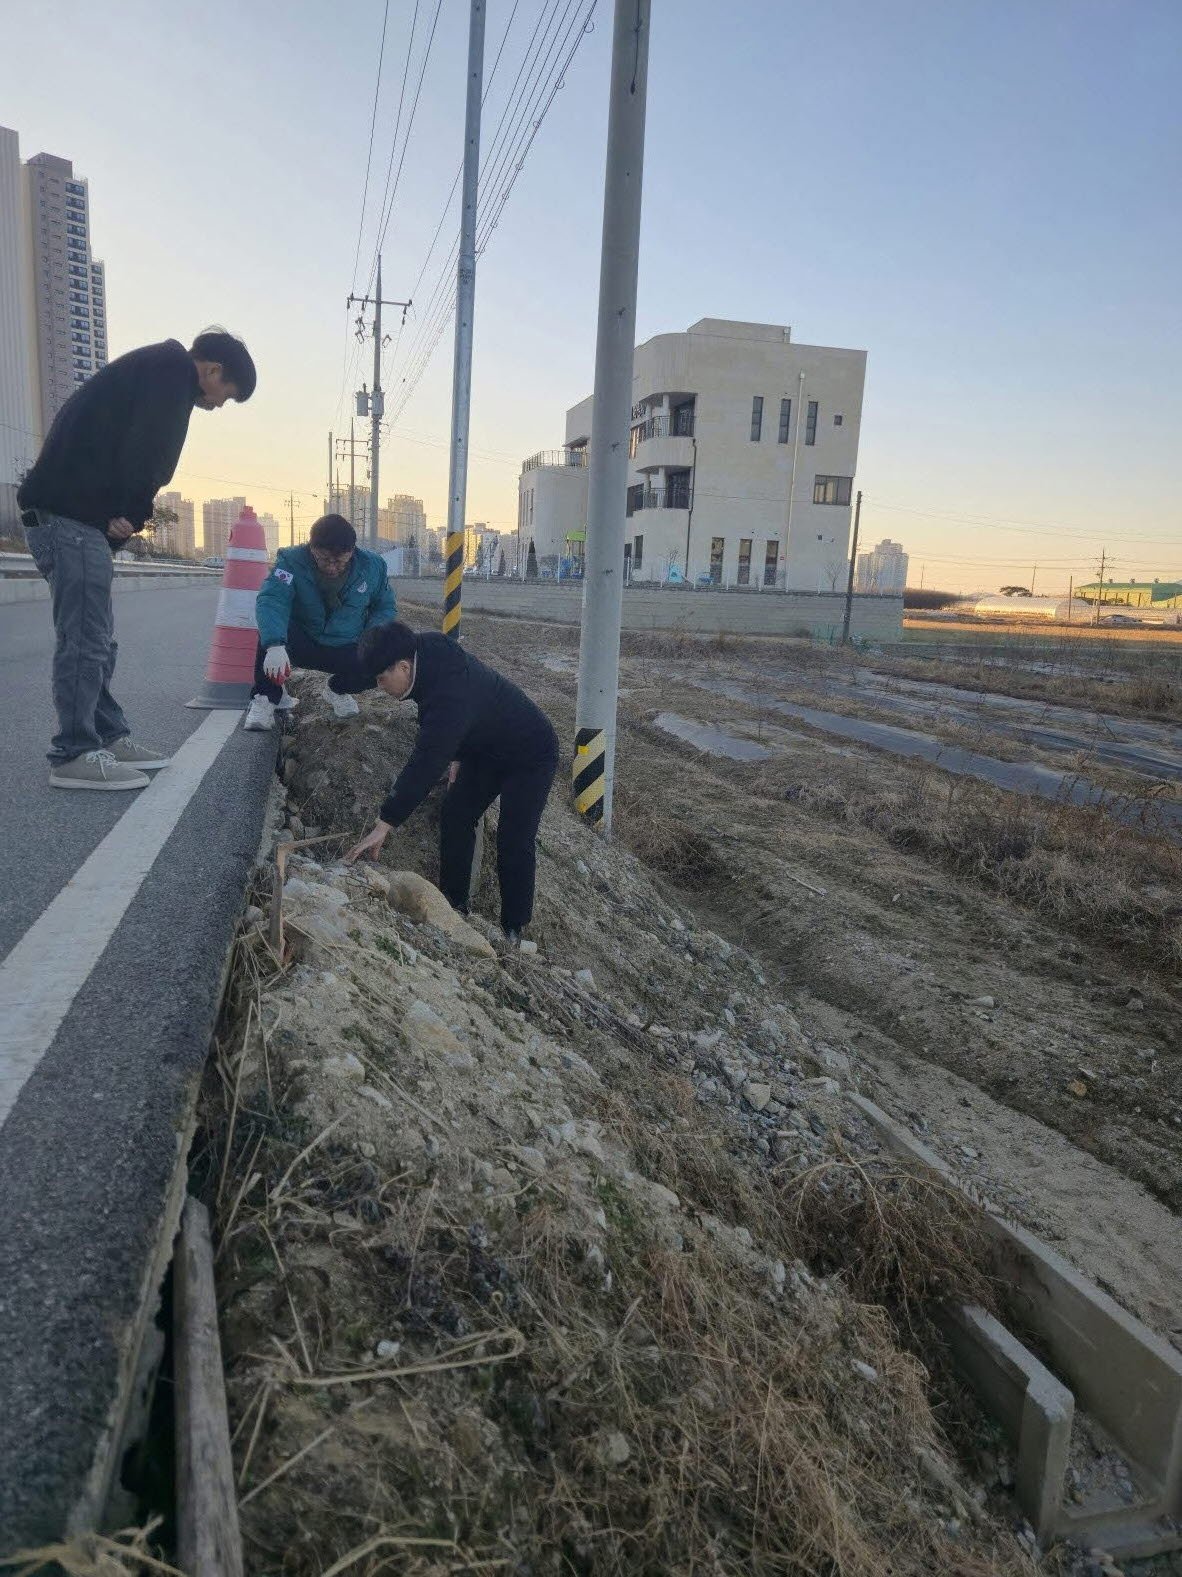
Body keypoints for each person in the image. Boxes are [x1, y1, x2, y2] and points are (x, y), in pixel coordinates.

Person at [18, 329, 256, 790]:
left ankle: (106, 735)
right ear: (212, 370)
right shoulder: (172, 373)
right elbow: (151, 452)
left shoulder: (154, 370)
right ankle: (73, 753)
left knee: (98, 641)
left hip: (76, 519)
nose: (217, 405)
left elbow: (117, 443)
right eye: (225, 395)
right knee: (85, 641)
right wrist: (132, 511)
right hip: (69, 521)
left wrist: (118, 512)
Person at [344, 622, 558, 942]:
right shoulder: (425, 651)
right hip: (484, 749)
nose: (379, 686)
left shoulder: (448, 698)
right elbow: (466, 711)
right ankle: (454, 906)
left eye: (380, 679)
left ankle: (514, 929)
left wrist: (385, 822)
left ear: (403, 667)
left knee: (514, 838)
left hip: (530, 754)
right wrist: (458, 753)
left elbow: (426, 762)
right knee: (456, 814)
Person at [244, 513, 396, 730]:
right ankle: (266, 698)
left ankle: (337, 690)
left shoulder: (372, 567)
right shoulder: (291, 562)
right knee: (270, 630)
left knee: (385, 657)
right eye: (324, 559)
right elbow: (273, 600)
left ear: (352, 551)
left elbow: (384, 607)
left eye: (340, 561)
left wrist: (374, 637)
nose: (332, 567)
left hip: (346, 645)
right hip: (303, 641)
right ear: (311, 548)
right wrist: (274, 645)